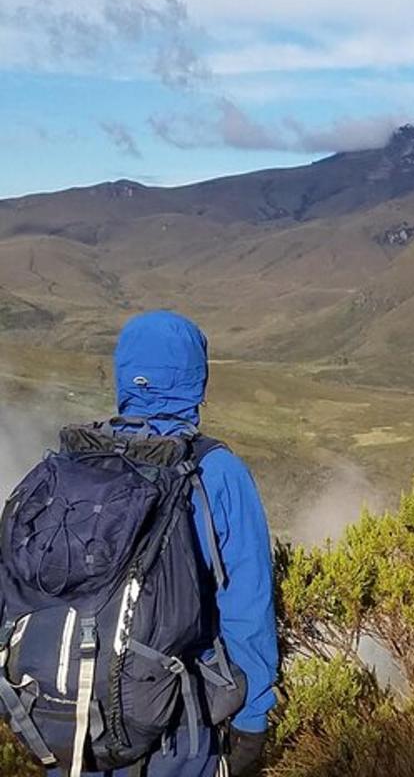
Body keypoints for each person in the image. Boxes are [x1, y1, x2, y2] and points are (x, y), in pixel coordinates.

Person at [53, 310, 279, 777]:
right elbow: (247, 603)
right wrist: (253, 717)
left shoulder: (73, 464)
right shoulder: (215, 473)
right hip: (178, 726)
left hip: (69, 722)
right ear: (196, 378)